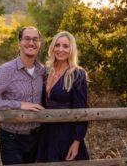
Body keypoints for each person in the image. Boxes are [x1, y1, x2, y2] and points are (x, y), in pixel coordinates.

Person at [0, 26, 45, 165]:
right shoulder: (6, 70)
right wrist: (19, 105)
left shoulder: (42, 70)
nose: (31, 43)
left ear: (39, 44)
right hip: (12, 138)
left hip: (37, 137)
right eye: (27, 39)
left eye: (35, 39)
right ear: (19, 42)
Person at [37, 31, 89, 162]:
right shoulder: (46, 71)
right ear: (52, 47)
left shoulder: (77, 74)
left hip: (66, 134)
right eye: (57, 45)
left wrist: (77, 141)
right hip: (46, 133)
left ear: (71, 49)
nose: (61, 49)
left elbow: (82, 111)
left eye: (65, 46)